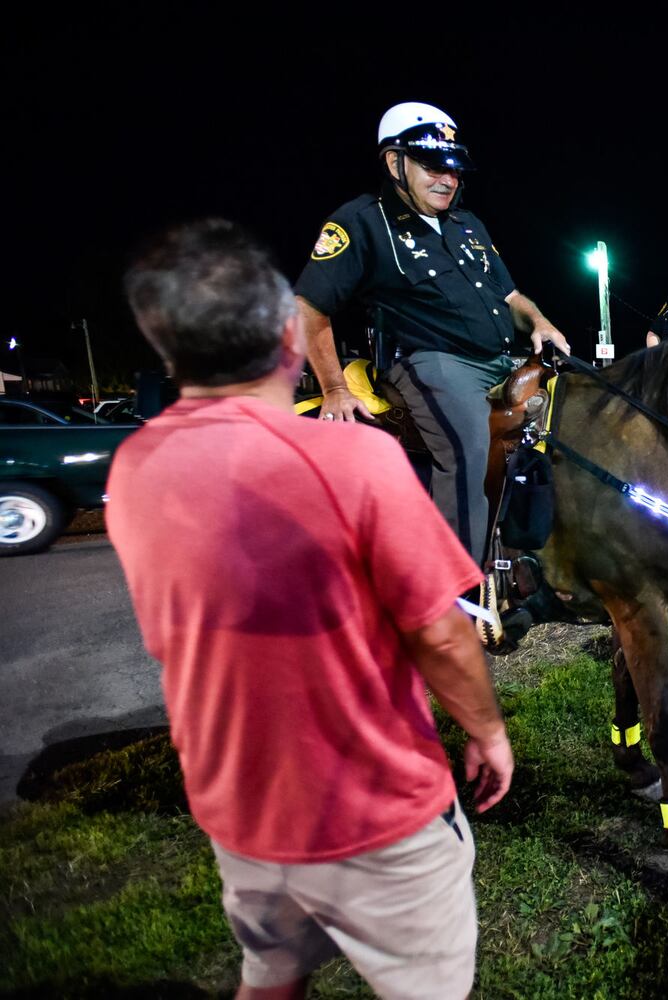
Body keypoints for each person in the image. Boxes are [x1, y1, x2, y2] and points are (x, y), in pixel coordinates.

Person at [111, 219, 515, 999]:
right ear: (288, 337)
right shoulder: (355, 460)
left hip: (242, 817)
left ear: (169, 355)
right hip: (376, 820)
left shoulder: (135, 466)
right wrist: (488, 732)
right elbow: (438, 629)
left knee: (271, 979)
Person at [294, 101, 570, 567]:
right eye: (432, 166)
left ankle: (551, 570)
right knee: (468, 450)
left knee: (579, 421)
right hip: (430, 362)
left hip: (504, 357)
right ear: (394, 162)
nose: (447, 178)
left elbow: (512, 297)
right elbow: (308, 307)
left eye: (454, 168)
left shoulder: (469, 224)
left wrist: (540, 322)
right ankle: (458, 598)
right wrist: (334, 388)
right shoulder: (359, 222)